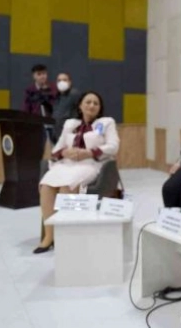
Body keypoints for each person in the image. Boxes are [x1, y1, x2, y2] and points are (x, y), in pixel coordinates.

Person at [35, 91, 120, 254]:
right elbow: (57, 149)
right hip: (67, 164)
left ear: (100, 108)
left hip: (90, 164)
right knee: (46, 186)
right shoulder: (70, 124)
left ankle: (65, 234)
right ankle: (49, 236)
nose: (92, 105)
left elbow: (113, 146)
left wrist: (89, 152)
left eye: (96, 103)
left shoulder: (107, 122)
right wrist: (65, 152)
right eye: (88, 102)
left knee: (67, 186)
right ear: (80, 106)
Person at [23, 64, 57, 146]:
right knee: (36, 146)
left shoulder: (53, 88)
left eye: (44, 74)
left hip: (51, 122)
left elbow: (56, 105)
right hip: (36, 123)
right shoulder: (30, 90)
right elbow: (26, 107)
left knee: (55, 145)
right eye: (39, 74)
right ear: (34, 76)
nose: (42, 76)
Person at [51, 72, 81, 144]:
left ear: (70, 82)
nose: (61, 82)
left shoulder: (74, 94)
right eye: (59, 80)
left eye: (64, 80)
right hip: (57, 134)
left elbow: (81, 112)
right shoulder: (57, 96)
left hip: (70, 135)